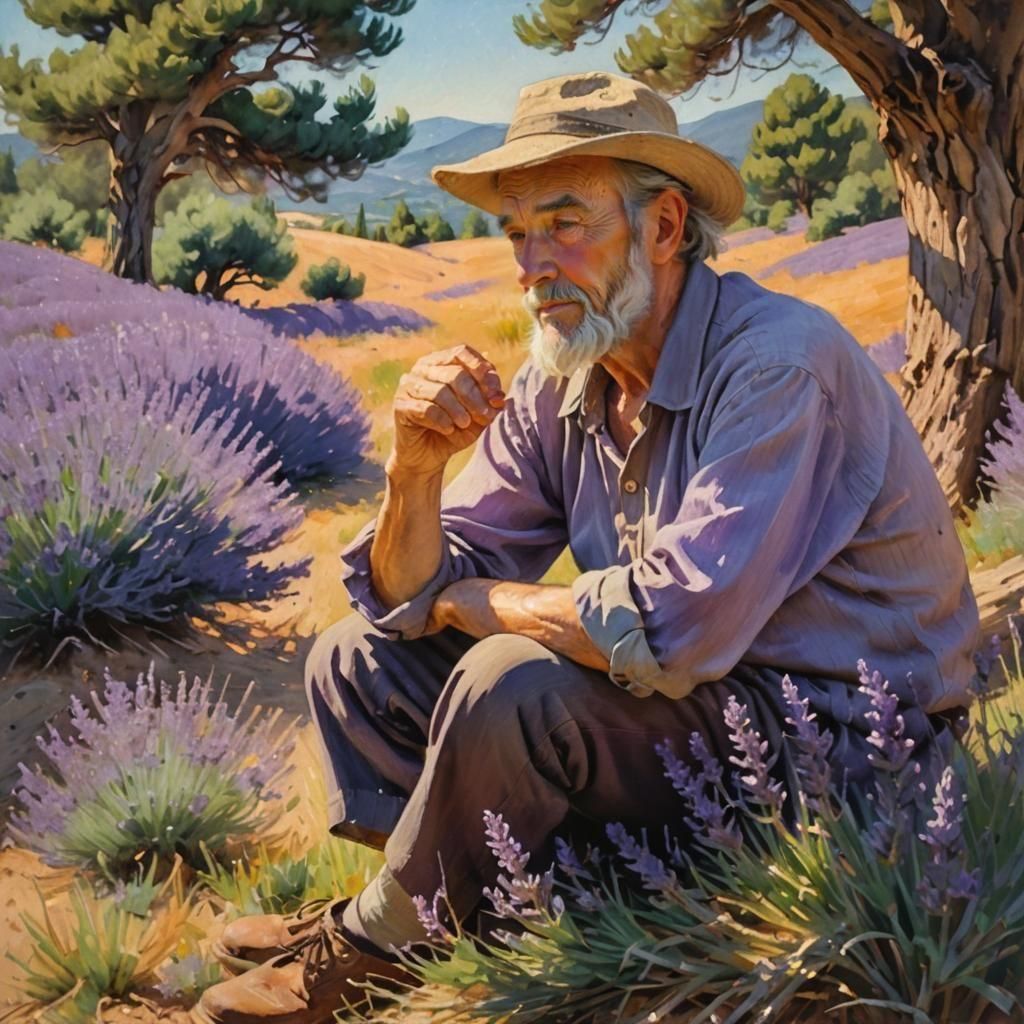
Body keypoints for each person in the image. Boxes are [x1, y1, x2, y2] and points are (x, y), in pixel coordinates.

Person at [195, 71, 980, 1024]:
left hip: (846, 752)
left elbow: (676, 627)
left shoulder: (776, 363)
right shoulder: (568, 374)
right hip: (696, 717)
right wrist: (414, 471)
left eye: (565, 224)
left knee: (510, 686)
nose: (533, 264)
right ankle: (466, 907)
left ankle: (377, 947)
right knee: (355, 660)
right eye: (516, 233)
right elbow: (408, 591)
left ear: (665, 226)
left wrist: (485, 604)